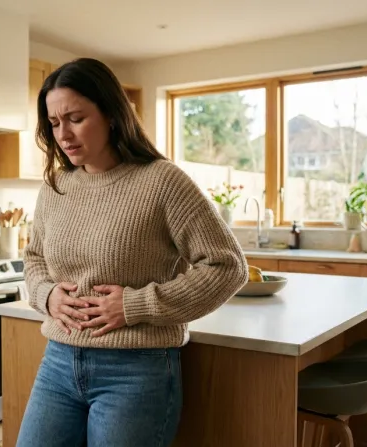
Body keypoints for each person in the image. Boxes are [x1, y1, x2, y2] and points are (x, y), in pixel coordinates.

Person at [17, 57, 249, 447]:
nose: (64, 134)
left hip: (136, 370)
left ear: (110, 114)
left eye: (75, 118)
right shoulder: (55, 186)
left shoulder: (162, 181)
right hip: (58, 361)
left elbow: (227, 266)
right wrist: (47, 294)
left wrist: (136, 305)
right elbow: (34, 258)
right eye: (54, 123)